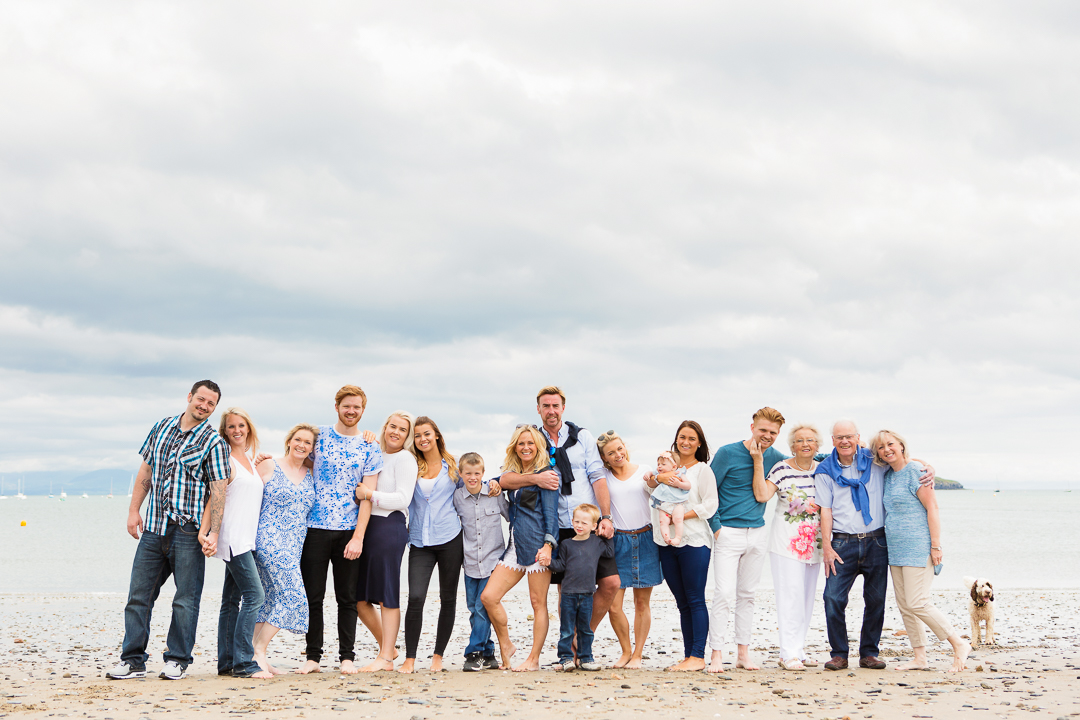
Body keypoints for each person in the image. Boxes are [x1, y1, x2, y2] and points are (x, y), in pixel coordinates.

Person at [107, 380, 231, 681]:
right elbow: (146, 470)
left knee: (185, 600)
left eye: (210, 403)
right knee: (138, 597)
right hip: (153, 529)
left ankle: (177, 660)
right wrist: (133, 510)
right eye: (200, 399)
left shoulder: (214, 442)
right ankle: (133, 661)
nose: (203, 406)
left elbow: (218, 490)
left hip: (188, 533)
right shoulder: (161, 427)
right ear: (189, 397)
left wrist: (213, 531)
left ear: (214, 408)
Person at [497, 387, 618, 640]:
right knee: (567, 591)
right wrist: (537, 479)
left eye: (555, 406)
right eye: (545, 406)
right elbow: (508, 475)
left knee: (610, 583)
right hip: (557, 525)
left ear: (563, 408)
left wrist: (606, 517)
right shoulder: (533, 438)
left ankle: (584, 635)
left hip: (589, 522)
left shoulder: (582, 436)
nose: (551, 411)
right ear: (538, 409)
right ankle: (571, 645)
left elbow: (597, 476)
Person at [816, 420, 935, 671]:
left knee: (876, 600)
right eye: (839, 437)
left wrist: (927, 465)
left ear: (858, 438)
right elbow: (825, 511)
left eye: (849, 436)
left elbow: (901, 460)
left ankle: (869, 653)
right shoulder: (825, 470)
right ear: (833, 440)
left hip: (877, 541)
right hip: (842, 542)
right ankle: (839, 654)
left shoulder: (875, 460)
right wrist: (827, 546)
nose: (845, 441)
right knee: (832, 598)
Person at [299, 385, 384, 674]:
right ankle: (313, 657)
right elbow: (295, 458)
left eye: (357, 407)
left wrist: (359, 537)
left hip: (349, 530)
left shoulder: (370, 446)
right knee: (314, 596)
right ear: (337, 406)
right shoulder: (319, 436)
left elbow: (368, 495)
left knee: (347, 598)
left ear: (363, 410)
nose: (351, 411)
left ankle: (347, 656)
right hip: (314, 528)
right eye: (346, 406)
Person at [871, 430, 969, 673]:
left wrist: (936, 545)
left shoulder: (916, 471)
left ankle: (958, 643)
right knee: (905, 604)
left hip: (918, 546)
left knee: (917, 601)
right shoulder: (888, 475)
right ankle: (920, 658)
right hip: (894, 548)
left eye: (890, 444)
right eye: (881, 447)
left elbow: (932, 508)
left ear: (902, 445)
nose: (886, 449)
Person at [706, 407, 788, 672]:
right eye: (763, 430)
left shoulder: (775, 457)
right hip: (728, 532)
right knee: (724, 594)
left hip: (758, 533)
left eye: (773, 432)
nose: (767, 436)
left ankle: (743, 654)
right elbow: (708, 491)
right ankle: (717, 654)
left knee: (748, 594)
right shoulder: (727, 453)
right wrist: (716, 526)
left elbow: (804, 461)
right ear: (752, 427)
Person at [481, 425, 560, 672]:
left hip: (538, 548)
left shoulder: (548, 475)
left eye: (530, 443)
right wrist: (495, 484)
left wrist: (548, 546)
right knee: (489, 597)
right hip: (514, 547)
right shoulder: (512, 473)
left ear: (538, 446)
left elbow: (551, 516)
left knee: (538, 603)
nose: (526, 447)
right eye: (521, 443)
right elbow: (500, 480)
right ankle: (507, 644)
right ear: (515, 447)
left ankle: (534, 659)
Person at [644, 420, 718, 671]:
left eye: (691, 438)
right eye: (681, 437)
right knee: (682, 601)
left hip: (694, 540)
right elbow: (648, 490)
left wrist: (679, 518)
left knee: (695, 598)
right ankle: (689, 656)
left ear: (699, 444)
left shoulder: (701, 471)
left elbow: (710, 505)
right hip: (666, 542)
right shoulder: (666, 468)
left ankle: (698, 656)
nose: (685, 442)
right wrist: (656, 478)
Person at [199, 408, 268, 679]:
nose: (237, 430)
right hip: (232, 539)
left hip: (246, 539)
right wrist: (206, 532)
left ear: (248, 428)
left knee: (231, 600)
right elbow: (215, 497)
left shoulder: (250, 460)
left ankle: (227, 663)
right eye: (231, 426)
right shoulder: (225, 460)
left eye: (241, 425)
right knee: (255, 596)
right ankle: (243, 663)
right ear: (224, 431)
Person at [352, 412, 419, 672]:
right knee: (360, 599)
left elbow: (403, 499)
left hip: (389, 527)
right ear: (385, 427)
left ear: (407, 435)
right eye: (393, 426)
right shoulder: (373, 451)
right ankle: (387, 648)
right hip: (366, 528)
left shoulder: (405, 459)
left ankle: (386, 659)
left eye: (402, 430)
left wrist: (369, 494)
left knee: (387, 595)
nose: (396, 432)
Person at [251, 424, 318, 674]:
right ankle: (259, 650)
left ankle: (255, 655)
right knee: (293, 597)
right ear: (289, 441)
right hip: (269, 540)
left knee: (269, 598)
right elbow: (246, 495)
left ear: (312, 449)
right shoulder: (269, 464)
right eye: (298, 439)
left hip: (294, 545)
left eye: (308, 442)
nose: (302, 445)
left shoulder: (311, 473)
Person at [399, 416, 463, 673]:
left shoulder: (453, 467)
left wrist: (491, 486)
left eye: (427, 434)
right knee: (415, 597)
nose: (422, 439)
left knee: (448, 598)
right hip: (419, 541)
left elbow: (470, 490)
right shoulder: (411, 466)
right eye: (417, 436)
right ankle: (410, 658)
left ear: (436, 435)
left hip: (450, 538)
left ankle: (438, 655)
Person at [759, 423, 824, 671]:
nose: (805, 444)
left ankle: (798, 649)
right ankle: (788, 653)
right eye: (799, 441)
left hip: (815, 544)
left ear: (817, 445)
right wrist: (757, 461)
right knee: (790, 596)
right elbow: (764, 495)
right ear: (792, 446)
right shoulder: (781, 469)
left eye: (809, 440)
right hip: (786, 542)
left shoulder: (823, 469)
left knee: (807, 597)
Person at [596, 430, 662, 669]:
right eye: (610, 453)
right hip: (618, 542)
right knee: (614, 604)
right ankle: (625, 651)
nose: (617, 455)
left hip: (646, 538)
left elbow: (660, 494)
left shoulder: (644, 471)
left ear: (625, 447)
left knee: (642, 603)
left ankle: (638, 654)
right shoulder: (603, 477)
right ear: (604, 458)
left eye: (619, 449)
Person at [452, 452, 509, 672]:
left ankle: (473, 652)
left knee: (482, 607)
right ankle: (489, 652)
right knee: (473, 609)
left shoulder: (494, 494)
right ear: (461, 474)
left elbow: (511, 517)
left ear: (483, 474)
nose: (472, 477)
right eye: (468, 473)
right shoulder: (457, 497)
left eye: (477, 473)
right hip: (470, 562)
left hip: (494, 561)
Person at [541, 503, 614, 672]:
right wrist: (549, 562)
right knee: (566, 629)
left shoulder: (597, 542)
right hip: (568, 594)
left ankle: (585, 658)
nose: (580, 526)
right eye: (577, 522)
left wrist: (608, 535)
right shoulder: (566, 544)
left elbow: (609, 553)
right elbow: (561, 565)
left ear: (594, 526)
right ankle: (566, 658)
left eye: (585, 523)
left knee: (585, 629)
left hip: (588, 593)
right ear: (572, 521)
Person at [650, 451, 691, 545]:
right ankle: (666, 537)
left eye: (663, 464)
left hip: (678, 502)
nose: (659, 466)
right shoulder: (659, 474)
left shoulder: (679, 473)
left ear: (673, 466)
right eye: (658, 464)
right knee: (663, 521)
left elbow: (688, 485)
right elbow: (651, 473)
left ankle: (678, 537)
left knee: (678, 519)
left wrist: (679, 484)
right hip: (664, 503)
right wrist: (648, 474)